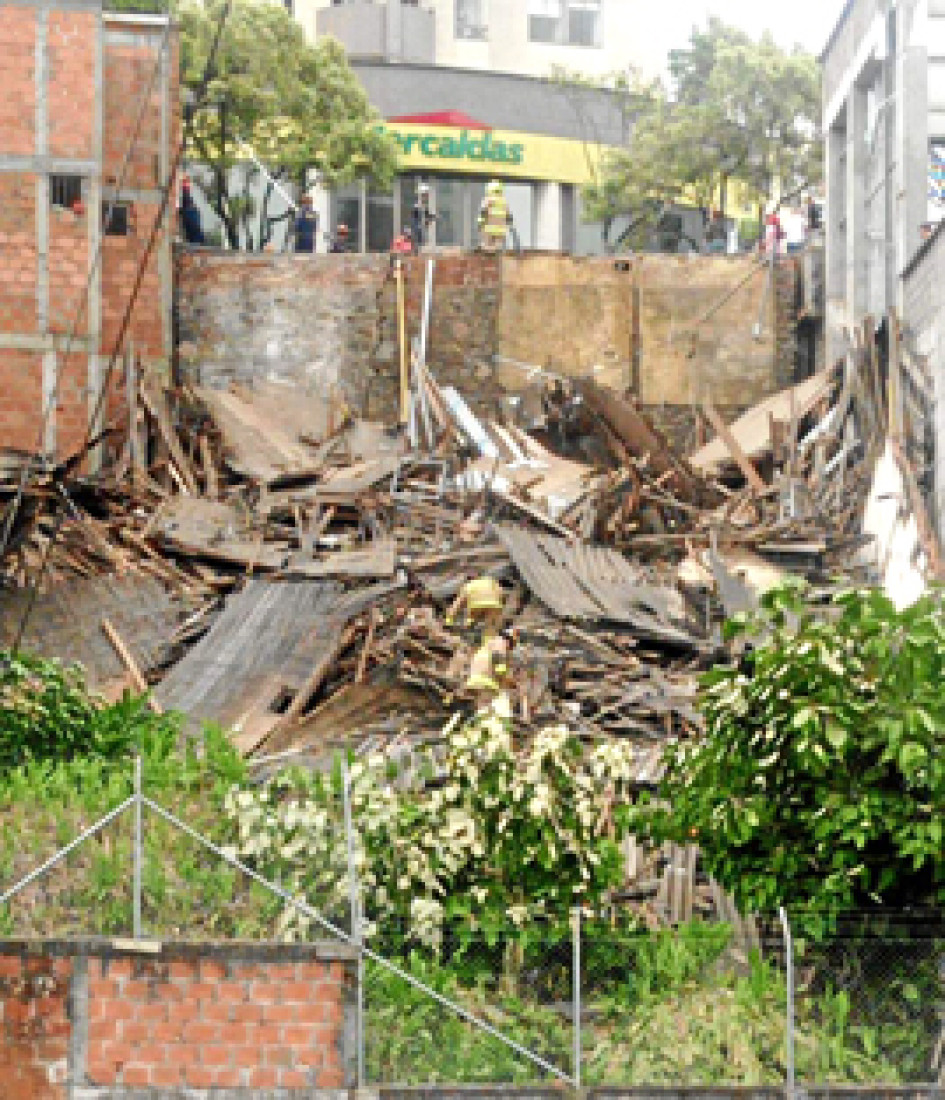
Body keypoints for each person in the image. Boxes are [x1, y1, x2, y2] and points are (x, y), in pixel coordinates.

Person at [448, 576, 513, 720]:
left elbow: (456, 605)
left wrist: (449, 620)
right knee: (488, 629)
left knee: (473, 624)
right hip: (494, 607)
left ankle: (475, 634)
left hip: (476, 608)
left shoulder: (468, 586)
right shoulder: (493, 582)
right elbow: (502, 595)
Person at [477, 180, 512, 252]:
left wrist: (480, 223)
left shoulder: (488, 199)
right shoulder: (503, 200)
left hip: (489, 227)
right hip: (500, 229)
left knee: (487, 246)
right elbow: (508, 214)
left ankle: (488, 256)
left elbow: (483, 211)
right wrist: (508, 224)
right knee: (497, 247)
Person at [179, 175, 204, 246]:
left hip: (192, 220)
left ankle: (185, 183)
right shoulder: (192, 211)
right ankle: (185, 183)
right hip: (193, 227)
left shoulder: (193, 211)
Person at [411, 182, 436, 252]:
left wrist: (432, 217)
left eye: (426, 195)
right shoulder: (417, 205)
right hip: (418, 228)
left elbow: (426, 216)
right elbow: (417, 217)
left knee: (421, 243)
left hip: (421, 227)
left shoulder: (424, 205)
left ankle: (419, 250)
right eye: (425, 195)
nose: (426, 197)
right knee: (419, 243)